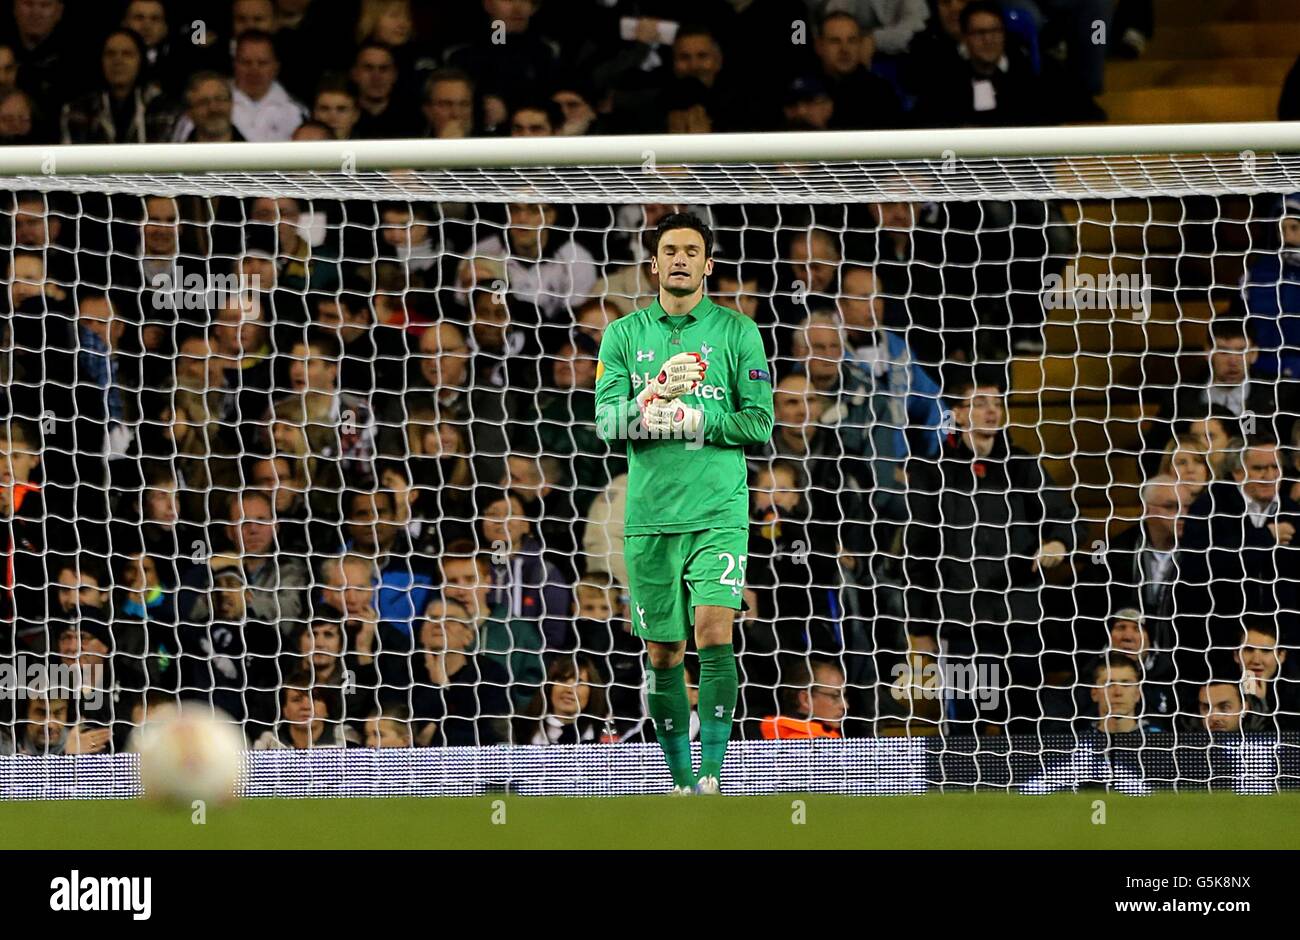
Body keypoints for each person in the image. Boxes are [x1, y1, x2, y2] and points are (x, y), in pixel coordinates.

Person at [594, 212, 774, 794]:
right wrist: (650, 403)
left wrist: (701, 417)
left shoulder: (737, 332)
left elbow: (760, 420)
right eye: (669, 250)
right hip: (649, 517)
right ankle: (678, 781)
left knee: (714, 631)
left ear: (708, 264)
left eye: (691, 251)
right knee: (666, 653)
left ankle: (714, 774)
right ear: (653, 263)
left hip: (719, 510)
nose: (679, 259)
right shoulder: (622, 336)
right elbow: (606, 424)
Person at [514, 655, 611, 745]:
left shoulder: (605, 732)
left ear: (592, 691)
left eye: (579, 682)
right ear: (550, 687)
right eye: (562, 680)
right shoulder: (519, 729)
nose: (569, 689)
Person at [758, 656, 846, 740]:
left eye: (844, 696)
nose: (845, 705)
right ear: (806, 699)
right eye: (835, 696)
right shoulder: (809, 744)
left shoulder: (774, 734)